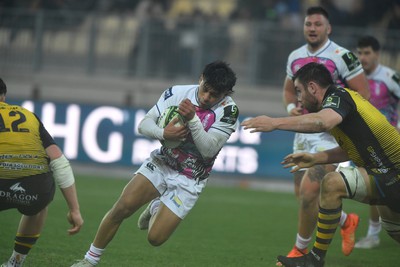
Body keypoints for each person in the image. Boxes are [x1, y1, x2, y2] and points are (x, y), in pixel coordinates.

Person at [70, 60, 239, 267]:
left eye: (214, 95)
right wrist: (163, 133)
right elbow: (144, 124)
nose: (206, 97)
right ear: (200, 79)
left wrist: (193, 120)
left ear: (226, 94)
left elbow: (208, 150)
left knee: (155, 239)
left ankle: (156, 206)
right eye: (205, 90)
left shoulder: (229, 111)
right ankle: (90, 260)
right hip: (162, 162)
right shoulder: (177, 93)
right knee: (121, 208)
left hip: (190, 178)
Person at [242, 62, 400, 267]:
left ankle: (314, 259)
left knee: (332, 183)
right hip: (384, 172)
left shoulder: (338, 97)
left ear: (313, 87)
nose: (298, 98)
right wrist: (316, 158)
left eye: (299, 91)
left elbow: (320, 122)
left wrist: (274, 123)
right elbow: (352, 148)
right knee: (396, 232)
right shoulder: (342, 102)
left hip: (392, 172)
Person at [280, 6, 370, 262]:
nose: (312, 28)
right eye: (308, 24)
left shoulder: (343, 56)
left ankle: (300, 251)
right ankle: (346, 221)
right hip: (304, 132)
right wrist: (291, 108)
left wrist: (333, 115)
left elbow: (363, 95)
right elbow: (288, 92)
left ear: (328, 28)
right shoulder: (295, 56)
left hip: (332, 136)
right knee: (305, 198)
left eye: (318, 24)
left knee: (309, 193)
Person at [0, 78, 84, 267]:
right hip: (33, 190)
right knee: (38, 206)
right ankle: (15, 262)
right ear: (4, 96)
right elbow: (59, 161)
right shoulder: (28, 116)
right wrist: (74, 210)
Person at [354, 35, 400, 249]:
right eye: (360, 53)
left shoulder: (389, 77)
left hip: (389, 145)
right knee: (374, 187)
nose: (362, 57)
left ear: (377, 54)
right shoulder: (354, 79)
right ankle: (373, 233)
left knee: (381, 187)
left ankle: (375, 233)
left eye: (367, 53)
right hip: (365, 142)